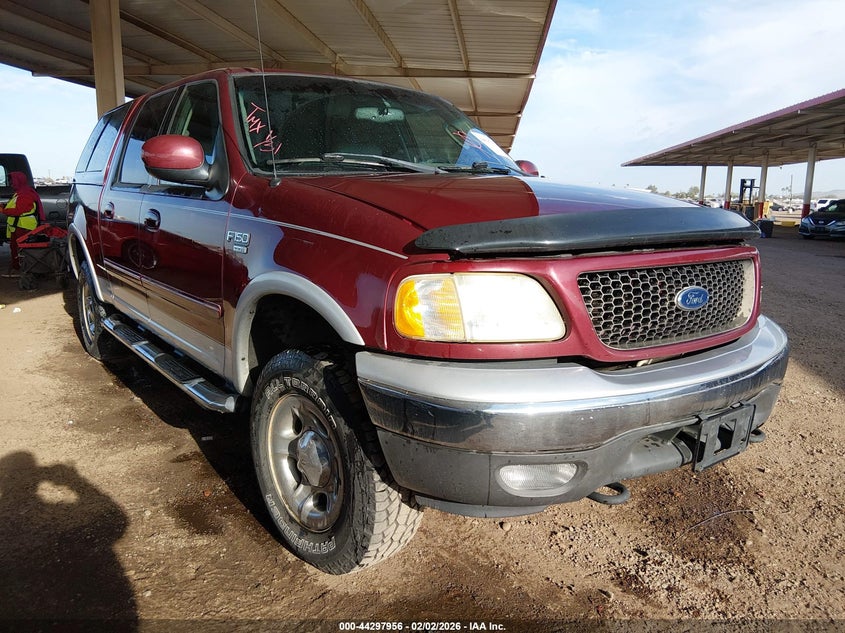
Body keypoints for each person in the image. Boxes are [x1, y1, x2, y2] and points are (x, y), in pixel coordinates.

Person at [2, 171, 42, 272]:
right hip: (18, 226)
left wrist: (3, 210)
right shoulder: (20, 193)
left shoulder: (25, 194)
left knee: (22, 250)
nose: (11, 184)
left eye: (12, 181)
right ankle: (18, 268)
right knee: (15, 248)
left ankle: (25, 269)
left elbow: (19, 210)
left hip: (23, 227)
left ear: (18, 181)